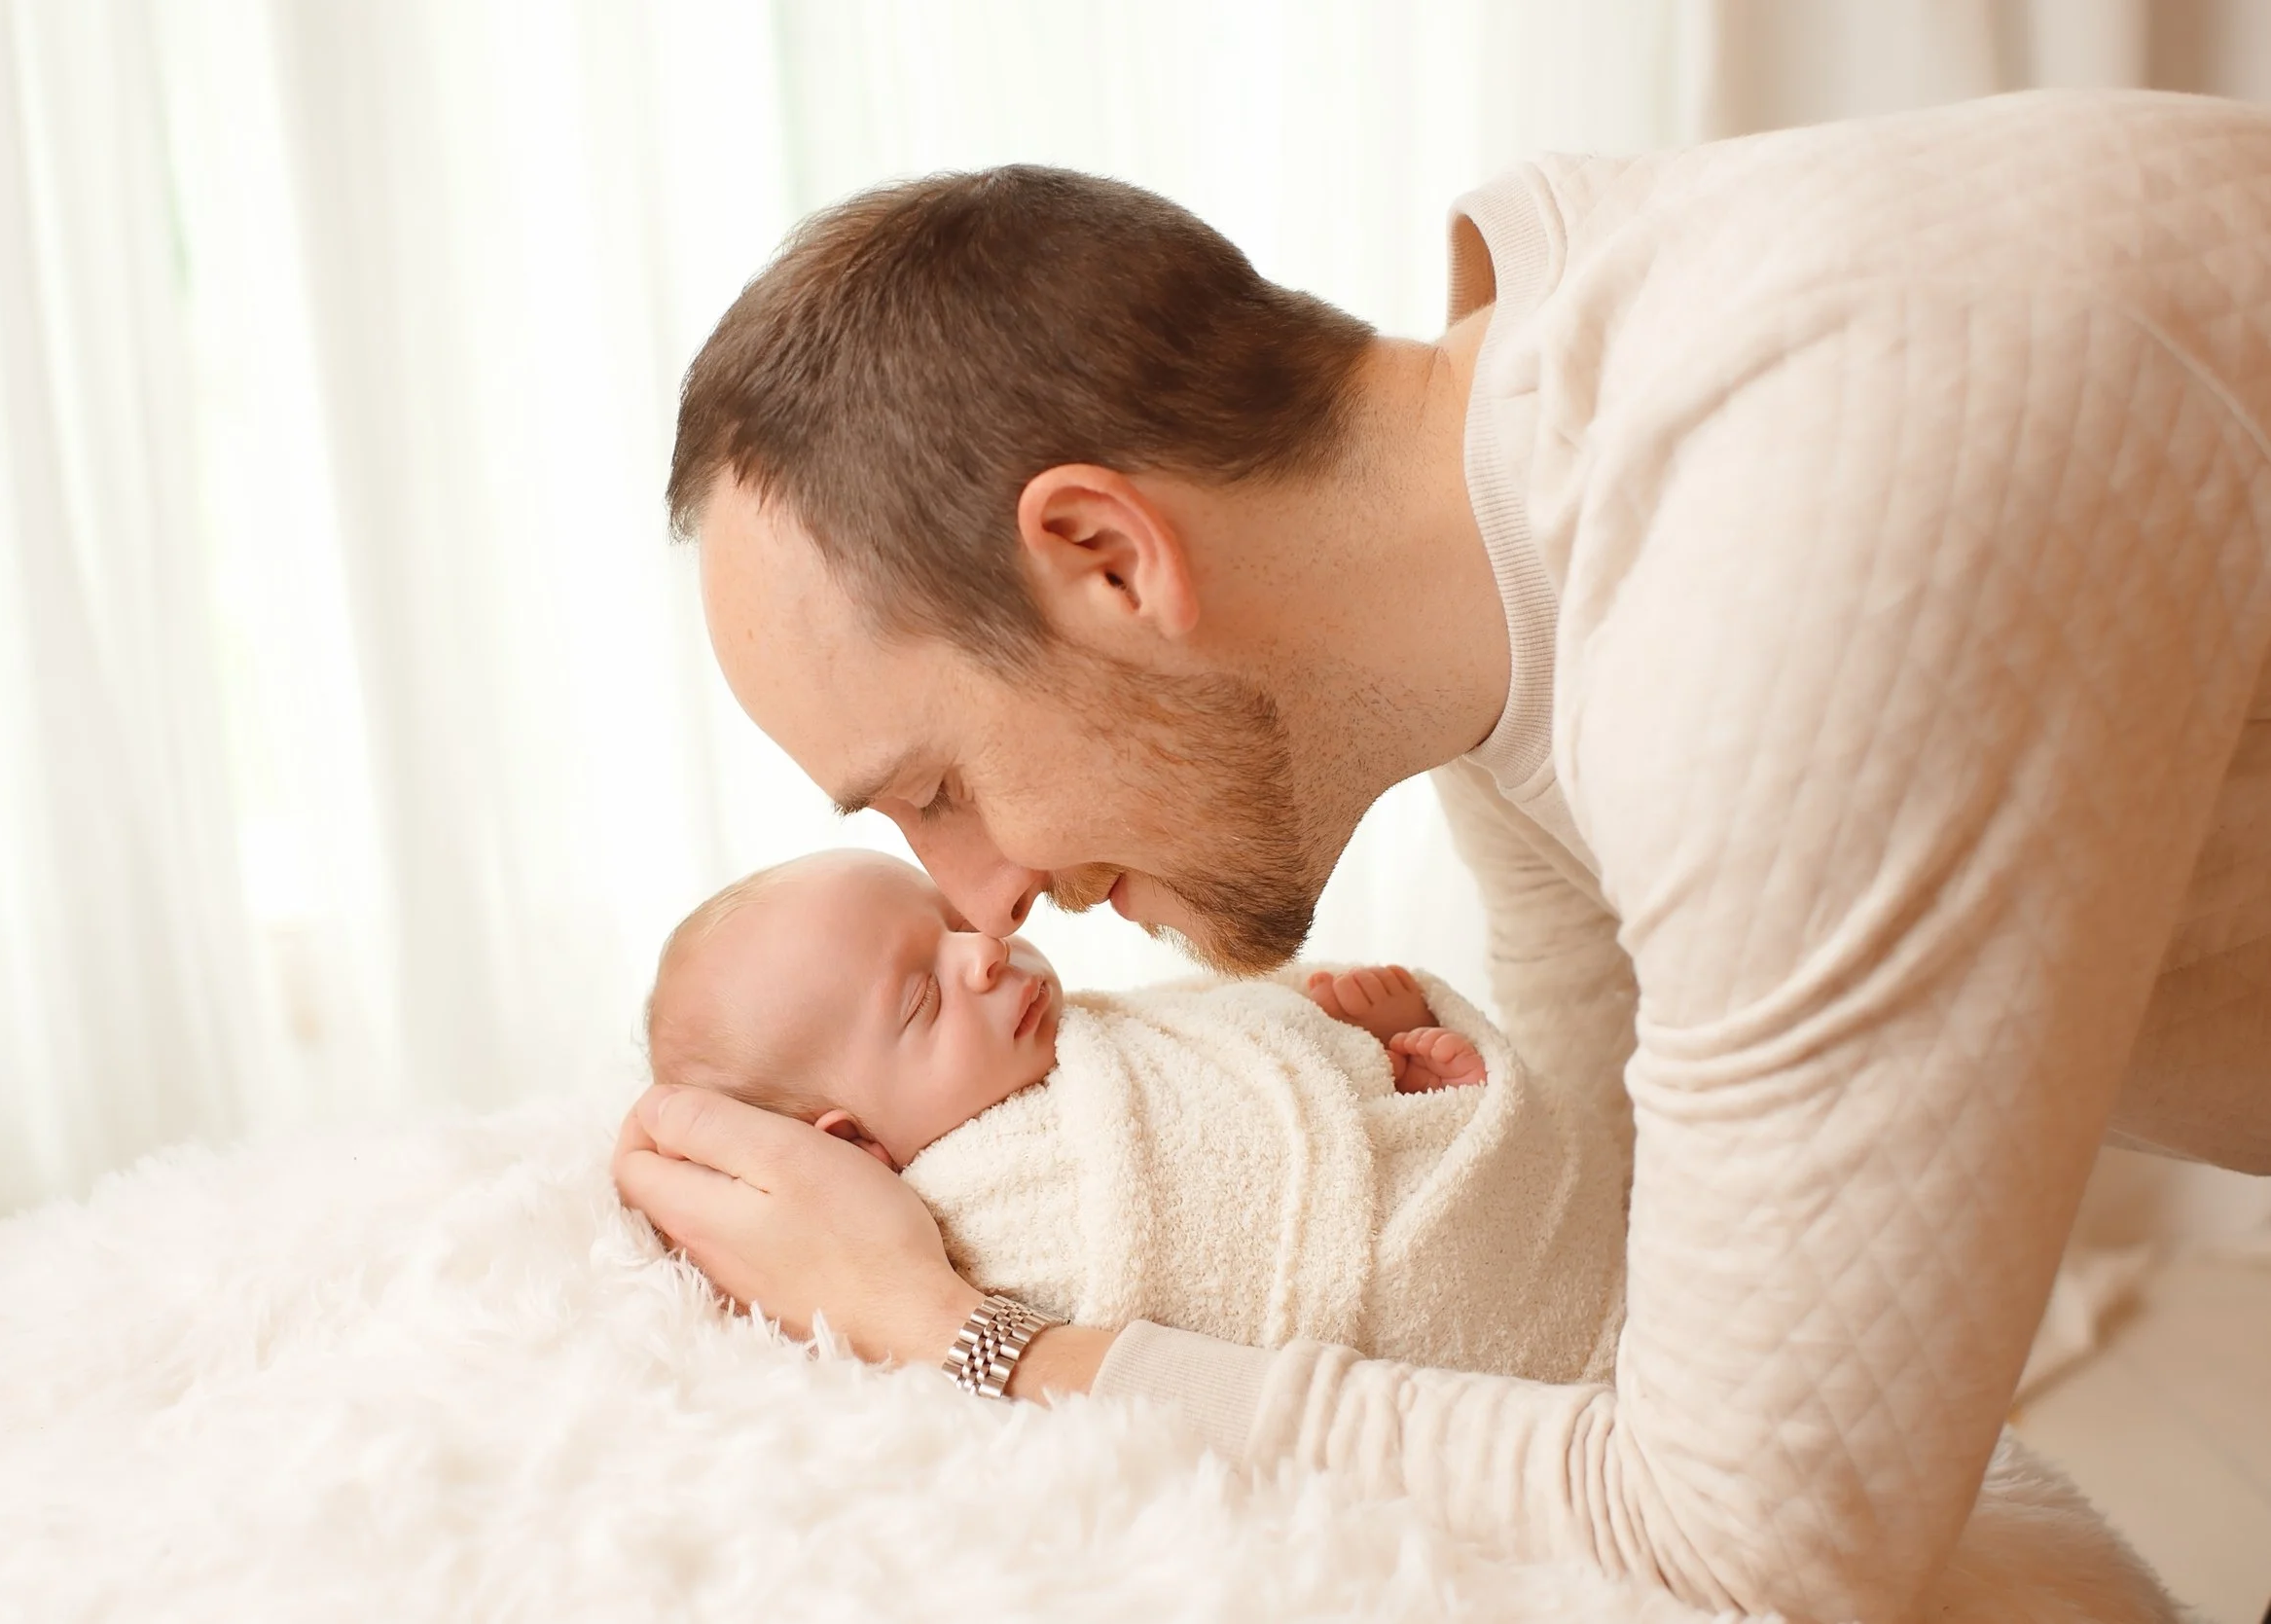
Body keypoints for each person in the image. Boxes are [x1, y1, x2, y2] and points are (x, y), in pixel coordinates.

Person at [611, 88, 2271, 1620]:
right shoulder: (1509, 565)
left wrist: (975, 1339)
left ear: (1107, 555)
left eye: (941, 782)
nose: (975, 893)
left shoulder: (1790, 550)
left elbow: (1757, 1538)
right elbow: (1612, 1264)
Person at [633, 849, 1623, 1382]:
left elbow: (1226, 1042)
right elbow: (1226, 1209)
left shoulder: (1077, 1041)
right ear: (849, 1148)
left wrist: (1339, 1050)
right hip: (1469, 1309)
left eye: (948, 920)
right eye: (922, 998)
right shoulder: (980, 1213)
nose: (982, 952)